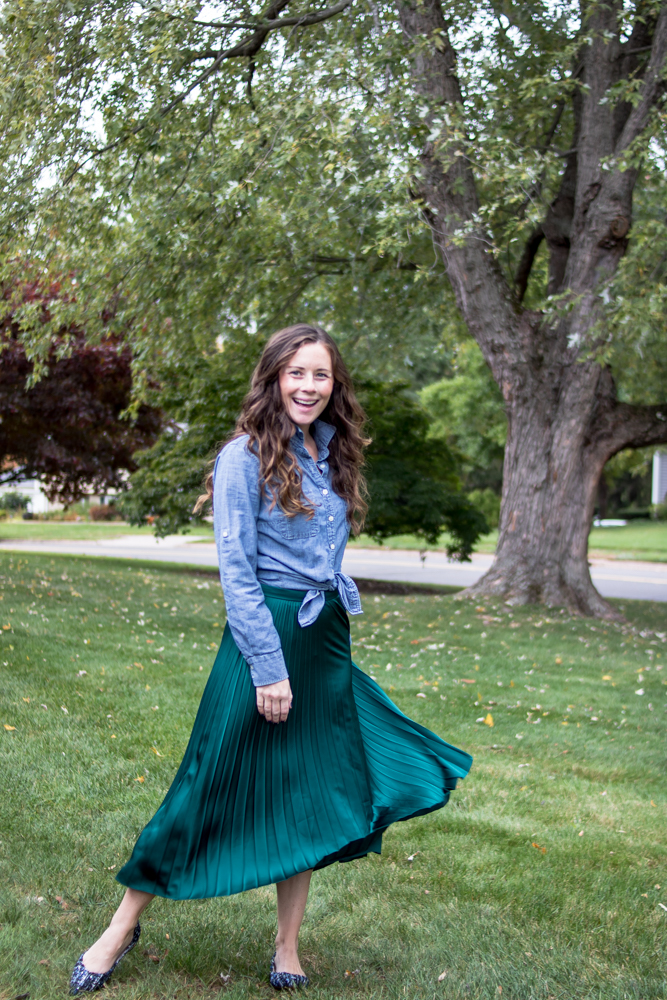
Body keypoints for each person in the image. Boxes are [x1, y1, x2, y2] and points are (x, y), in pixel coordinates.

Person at [69, 323, 472, 995]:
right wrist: (268, 667)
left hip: (323, 636)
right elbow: (237, 573)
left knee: (308, 791)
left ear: (333, 385)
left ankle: (286, 947)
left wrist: (315, 646)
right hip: (268, 636)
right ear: (272, 378)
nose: (309, 386)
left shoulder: (331, 452)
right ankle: (120, 927)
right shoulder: (242, 456)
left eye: (321, 375)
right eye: (297, 373)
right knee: (207, 783)